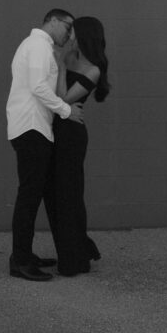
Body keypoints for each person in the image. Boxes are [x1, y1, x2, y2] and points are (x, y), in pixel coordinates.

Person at [6, 8, 84, 282]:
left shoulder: (39, 46)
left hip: (34, 128)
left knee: (32, 195)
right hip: (31, 128)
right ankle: (20, 261)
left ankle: (24, 255)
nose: (70, 34)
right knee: (29, 197)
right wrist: (66, 110)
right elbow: (39, 87)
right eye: (68, 27)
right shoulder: (38, 46)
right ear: (52, 21)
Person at [46, 16, 111, 277]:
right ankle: (71, 251)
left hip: (71, 136)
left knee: (69, 194)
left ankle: (75, 258)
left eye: (74, 32)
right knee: (54, 195)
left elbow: (62, 98)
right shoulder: (68, 56)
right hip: (54, 131)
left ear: (84, 36)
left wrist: (61, 67)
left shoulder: (92, 69)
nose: (69, 35)